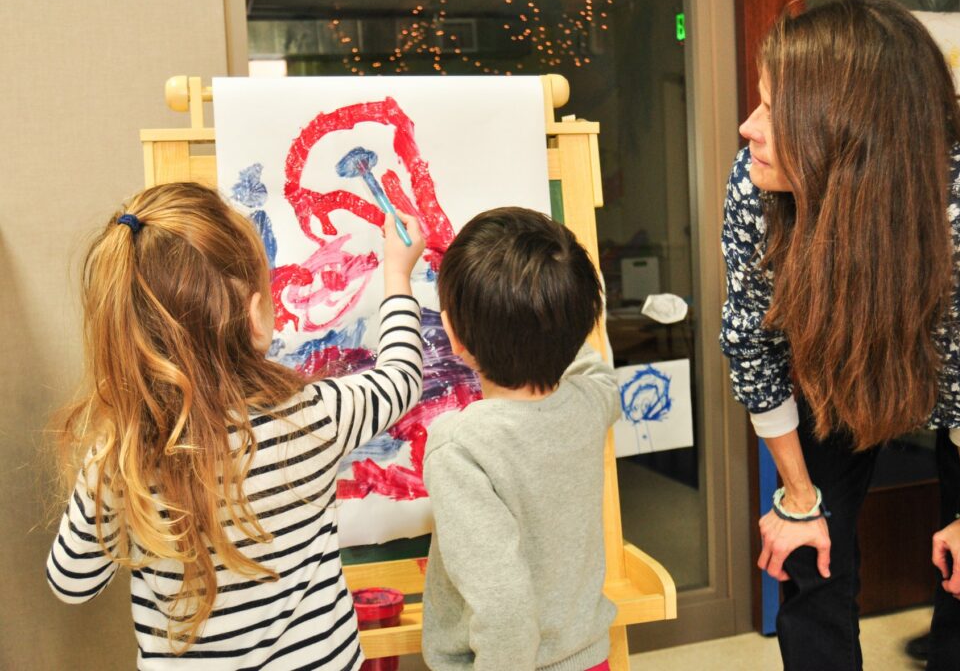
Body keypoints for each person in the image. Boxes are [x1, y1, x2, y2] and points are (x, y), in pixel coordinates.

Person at [720, 0, 960, 671]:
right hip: (833, 363)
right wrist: (798, 499)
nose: (748, 128)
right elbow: (753, 345)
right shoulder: (757, 184)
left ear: (844, 127)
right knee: (807, 550)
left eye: (773, 110)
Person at [45, 182, 425, 669]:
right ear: (255, 317)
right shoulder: (315, 416)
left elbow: (72, 583)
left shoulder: (126, 457)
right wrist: (397, 272)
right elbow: (401, 379)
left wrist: (110, 455)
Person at [421, 207, 619, 671]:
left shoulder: (460, 446)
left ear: (452, 334)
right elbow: (595, 369)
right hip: (589, 658)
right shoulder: (591, 404)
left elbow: (504, 607)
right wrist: (554, 316)